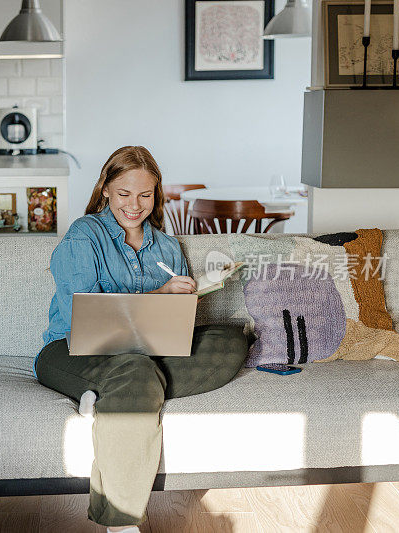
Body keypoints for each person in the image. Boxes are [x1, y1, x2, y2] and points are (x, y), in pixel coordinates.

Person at [34, 146, 249, 532]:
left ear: (157, 195)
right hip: (71, 351)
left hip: (149, 353)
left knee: (231, 340)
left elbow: (175, 323)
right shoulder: (85, 235)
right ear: (105, 191)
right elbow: (80, 318)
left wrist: (189, 298)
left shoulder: (167, 247)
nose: (135, 205)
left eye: (145, 195)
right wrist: (161, 295)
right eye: (124, 194)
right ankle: (120, 520)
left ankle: (112, 395)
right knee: (134, 367)